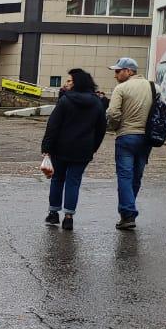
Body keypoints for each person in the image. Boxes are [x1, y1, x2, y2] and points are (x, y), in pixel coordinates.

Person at [40, 69, 106, 230]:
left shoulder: (65, 101)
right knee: (73, 182)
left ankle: (53, 213)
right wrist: (94, 147)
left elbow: (53, 126)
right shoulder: (97, 102)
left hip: (60, 148)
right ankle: (68, 217)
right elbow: (101, 128)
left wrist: (46, 147)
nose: (66, 83)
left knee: (57, 179)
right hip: (83, 149)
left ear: (77, 82)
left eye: (69, 81)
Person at [105, 57, 154, 230]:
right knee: (136, 175)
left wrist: (114, 126)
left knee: (125, 176)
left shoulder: (121, 88)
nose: (115, 75)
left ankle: (127, 214)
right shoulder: (153, 87)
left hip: (126, 136)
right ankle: (129, 210)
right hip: (147, 138)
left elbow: (112, 113)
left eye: (118, 71)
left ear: (129, 71)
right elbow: (161, 112)